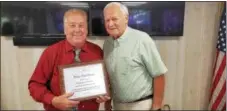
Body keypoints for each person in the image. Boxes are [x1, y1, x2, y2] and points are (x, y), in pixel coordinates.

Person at [28, 9, 110, 111]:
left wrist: (103, 93)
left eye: (81, 25)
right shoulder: (50, 53)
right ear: (65, 29)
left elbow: (105, 80)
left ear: (87, 28)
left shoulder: (97, 51)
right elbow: (34, 85)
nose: (77, 30)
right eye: (72, 25)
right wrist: (53, 100)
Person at [103, 2, 168, 110]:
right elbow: (109, 77)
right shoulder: (107, 44)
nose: (110, 24)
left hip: (142, 105)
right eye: (107, 20)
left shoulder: (142, 39)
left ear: (126, 18)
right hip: (117, 105)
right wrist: (107, 103)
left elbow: (159, 75)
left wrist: (157, 107)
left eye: (114, 19)